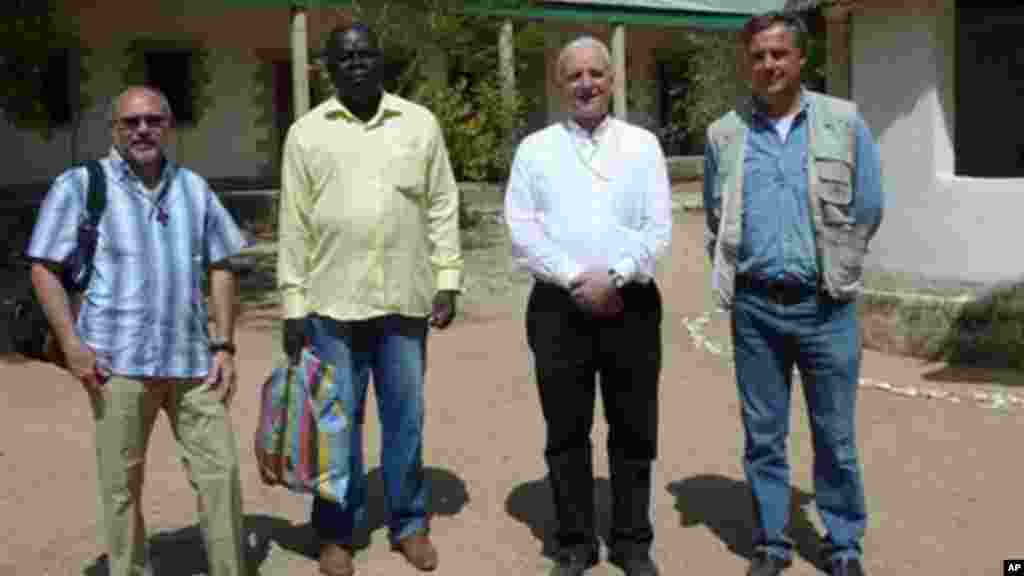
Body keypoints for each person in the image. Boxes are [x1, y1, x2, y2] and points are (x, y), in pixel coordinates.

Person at [26, 86, 249, 576]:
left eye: (153, 120)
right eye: (131, 122)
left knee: (221, 474)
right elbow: (43, 265)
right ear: (114, 129)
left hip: (193, 361)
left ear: (169, 126)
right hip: (117, 365)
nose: (142, 130)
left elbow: (222, 264)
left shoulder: (194, 189)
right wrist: (71, 343)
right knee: (121, 486)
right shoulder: (81, 186)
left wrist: (225, 343)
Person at [277, 23, 463, 576]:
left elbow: (442, 204)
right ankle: (338, 531)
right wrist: (292, 305)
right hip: (332, 308)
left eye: (365, 54)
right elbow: (294, 224)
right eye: (344, 57)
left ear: (381, 61)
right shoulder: (307, 134)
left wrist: (447, 277)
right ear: (328, 69)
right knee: (336, 425)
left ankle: (409, 524)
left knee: (406, 420)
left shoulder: (418, 123)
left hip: (404, 304)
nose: (356, 64)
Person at [703, 11, 884, 576]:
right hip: (756, 310)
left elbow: (869, 205)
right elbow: (716, 213)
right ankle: (773, 542)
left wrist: (838, 268)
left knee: (835, 436)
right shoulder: (723, 135)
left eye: (779, 54)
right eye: (758, 56)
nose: (769, 65)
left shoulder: (843, 122)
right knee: (763, 436)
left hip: (825, 307)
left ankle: (843, 542)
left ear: (801, 59)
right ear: (747, 63)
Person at [504, 36, 672, 576]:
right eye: (574, 74)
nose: (586, 84)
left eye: (596, 73)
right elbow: (522, 230)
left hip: (633, 306)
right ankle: (575, 542)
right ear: (559, 84)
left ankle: (631, 542)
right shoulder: (535, 150)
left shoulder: (643, 146)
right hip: (558, 310)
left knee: (634, 428)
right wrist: (578, 278)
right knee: (566, 430)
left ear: (612, 80)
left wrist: (617, 277)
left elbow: (658, 228)